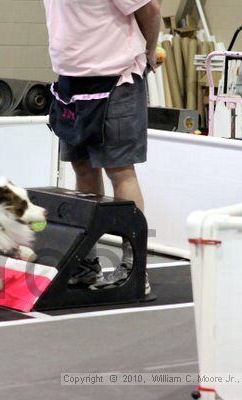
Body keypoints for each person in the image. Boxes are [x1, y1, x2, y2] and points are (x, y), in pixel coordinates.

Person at [43, 0, 162, 294]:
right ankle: (85, 263)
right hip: (70, 78)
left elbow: (151, 9)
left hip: (115, 76)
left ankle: (135, 269)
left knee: (120, 171)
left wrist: (148, 54)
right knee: (82, 170)